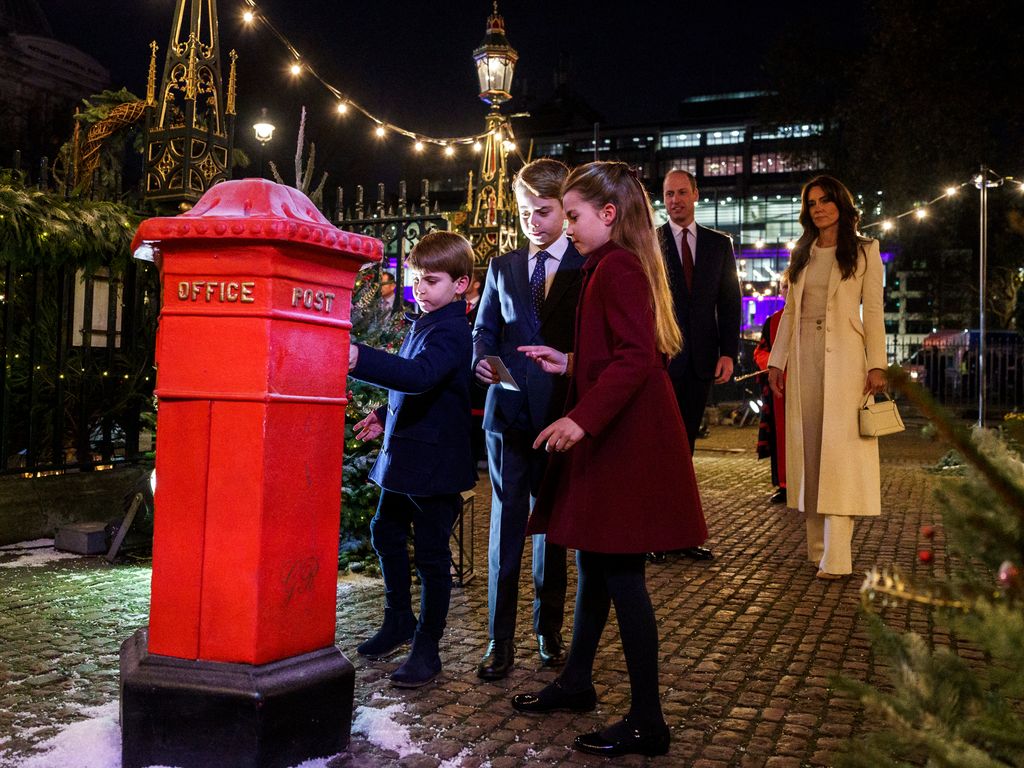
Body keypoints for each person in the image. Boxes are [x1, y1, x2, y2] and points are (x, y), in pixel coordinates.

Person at [512, 161, 706, 758]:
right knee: (598, 568)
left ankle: (649, 720)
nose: (566, 225)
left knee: (623, 578)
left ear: (609, 214)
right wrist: (569, 363)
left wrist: (578, 418)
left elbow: (635, 360)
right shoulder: (613, 264)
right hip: (619, 436)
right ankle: (577, 681)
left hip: (623, 441)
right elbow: (619, 354)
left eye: (573, 215)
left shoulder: (616, 266)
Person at [347, 231, 477, 687]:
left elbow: (422, 376)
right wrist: (385, 412)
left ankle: (428, 647)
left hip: (435, 466)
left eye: (432, 281)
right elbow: (427, 386)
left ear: (461, 285)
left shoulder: (454, 331)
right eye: (416, 279)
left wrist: (356, 356)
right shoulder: (426, 321)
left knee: (431, 556)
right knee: (384, 530)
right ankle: (398, 619)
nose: (420, 288)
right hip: (406, 456)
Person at [472, 158, 584, 680]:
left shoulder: (588, 268)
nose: (532, 222)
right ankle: (499, 640)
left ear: (566, 209)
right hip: (508, 415)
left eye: (542, 212)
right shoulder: (502, 267)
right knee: (504, 526)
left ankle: (548, 630)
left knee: (552, 529)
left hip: (561, 416)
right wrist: (482, 361)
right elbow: (485, 332)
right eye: (523, 213)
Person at [767, 175, 887, 580]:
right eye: (812, 202)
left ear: (841, 203)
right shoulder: (802, 253)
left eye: (825, 200)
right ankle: (816, 548)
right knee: (810, 451)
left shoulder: (866, 251)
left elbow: (873, 312)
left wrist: (877, 364)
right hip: (804, 358)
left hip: (848, 361)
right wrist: (777, 362)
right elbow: (790, 312)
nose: (819, 207)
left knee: (840, 455)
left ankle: (838, 556)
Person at [658, 169, 741, 561]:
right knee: (658, 448)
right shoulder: (651, 242)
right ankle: (652, 536)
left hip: (702, 361)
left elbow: (729, 301)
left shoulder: (718, 245)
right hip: (660, 361)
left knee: (685, 450)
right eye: (668, 194)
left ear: (696, 194)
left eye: (681, 193)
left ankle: (681, 535)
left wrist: (729, 351)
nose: (675, 200)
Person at [754, 279, 788, 504]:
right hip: (781, 389)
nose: (788, 290)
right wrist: (773, 364)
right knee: (781, 437)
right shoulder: (773, 321)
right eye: (785, 286)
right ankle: (784, 485)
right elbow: (761, 350)